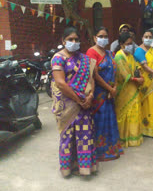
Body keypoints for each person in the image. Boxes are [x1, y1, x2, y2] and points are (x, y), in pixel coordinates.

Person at [51, 27, 97, 177]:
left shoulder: (84, 59)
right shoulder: (58, 58)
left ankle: (84, 167)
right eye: (70, 39)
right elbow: (60, 83)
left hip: (85, 104)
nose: (74, 42)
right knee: (68, 136)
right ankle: (67, 168)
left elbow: (91, 79)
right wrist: (79, 100)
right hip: (67, 105)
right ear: (63, 41)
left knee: (85, 135)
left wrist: (90, 96)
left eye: (76, 40)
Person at [86, 27, 123, 161]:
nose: (103, 38)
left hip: (110, 93)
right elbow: (94, 75)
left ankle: (111, 148)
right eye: (100, 36)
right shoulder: (91, 52)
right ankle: (100, 152)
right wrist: (109, 88)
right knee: (100, 121)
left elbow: (115, 71)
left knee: (109, 119)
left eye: (106, 36)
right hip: (99, 93)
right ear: (95, 38)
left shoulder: (109, 53)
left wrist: (114, 88)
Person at [114, 32, 144, 147]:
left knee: (134, 113)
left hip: (133, 88)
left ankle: (133, 138)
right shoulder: (119, 56)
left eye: (131, 43)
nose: (130, 46)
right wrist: (137, 80)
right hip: (124, 90)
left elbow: (137, 67)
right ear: (121, 44)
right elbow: (124, 75)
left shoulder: (130, 56)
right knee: (123, 115)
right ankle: (123, 138)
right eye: (128, 44)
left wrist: (140, 75)